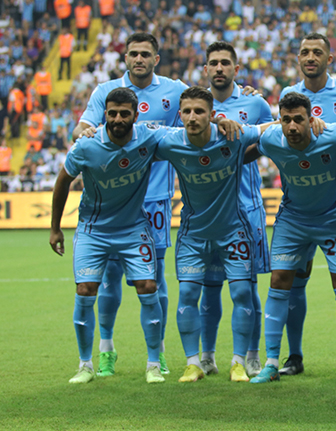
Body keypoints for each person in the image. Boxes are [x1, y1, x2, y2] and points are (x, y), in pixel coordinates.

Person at [73, 32, 188, 378]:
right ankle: (106, 350)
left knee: (155, 278)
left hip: (155, 198)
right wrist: (84, 133)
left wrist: (246, 93)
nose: (139, 59)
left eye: (145, 54)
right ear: (125, 58)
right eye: (133, 54)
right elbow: (82, 128)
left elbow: (204, 110)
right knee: (108, 277)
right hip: (112, 201)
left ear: (156, 58)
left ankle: (159, 354)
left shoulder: (174, 90)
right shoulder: (106, 91)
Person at [49, 87, 166, 384]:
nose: (117, 119)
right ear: (105, 114)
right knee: (85, 290)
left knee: (148, 286)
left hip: (134, 228)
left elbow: (186, 136)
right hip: (94, 229)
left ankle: (154, 363)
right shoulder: (87, 145)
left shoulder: (149, 137)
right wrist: (55, 227)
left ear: (135, 115)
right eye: (112, 113)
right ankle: (85, 365)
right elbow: (62, 181)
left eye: (124, 114)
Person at [248, 92, 336, 385]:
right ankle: (272, 363)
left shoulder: (332, 136)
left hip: (334, 217)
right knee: (278, 281)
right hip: (293, 219)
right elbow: (244, 150)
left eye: (299, 119)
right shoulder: (272, 139)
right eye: (286, 120)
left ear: (311, 120)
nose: (292, 126)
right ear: (279, 121)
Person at [154, 87, 262, 383]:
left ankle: (238, 363)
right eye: (187, 111)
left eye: (199, 111)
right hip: (193, 235)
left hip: (234, 231)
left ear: (212, 115)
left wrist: (315, 123)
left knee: (242, 293)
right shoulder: (170, 141)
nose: (192, 117)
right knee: (188, 294)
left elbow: (272, 128)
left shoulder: (233, 135)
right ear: (179, 115)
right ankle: (193, 364)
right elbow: (132, 136)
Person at [278, 32, 336, 376]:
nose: (310, 57)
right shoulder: (288, 95)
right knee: (294, 283)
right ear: (298, 58)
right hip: (298, 208)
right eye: (305, 52)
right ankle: (294, 356)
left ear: (329, 59)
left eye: (317, 52)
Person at [198, 41, 273, 379]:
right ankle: (207, 356)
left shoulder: (255, 103)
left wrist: (237, 155)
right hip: (209, 210)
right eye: (213, 63)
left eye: (225, 63)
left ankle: (252, 355)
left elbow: (270, 139)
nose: (219, 68)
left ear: (236, 69)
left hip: (246, 207)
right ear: (205, 69)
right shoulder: (196, 103)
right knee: (209, 287)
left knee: (247, 287)